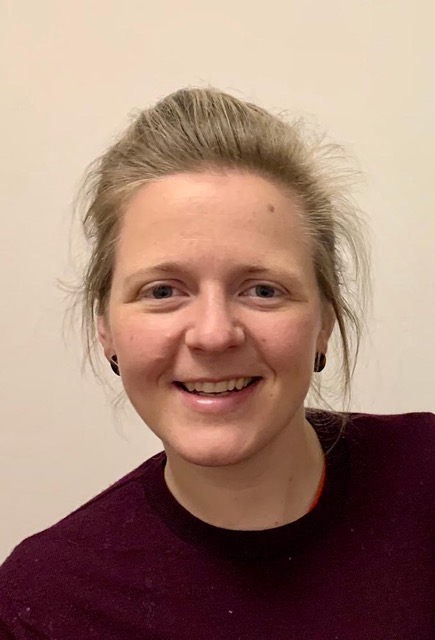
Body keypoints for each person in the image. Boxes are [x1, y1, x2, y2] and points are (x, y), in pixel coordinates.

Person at [0, 87, 433, 640]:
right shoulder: (44, 605)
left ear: (324, 319)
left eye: (262, 289)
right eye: (162, 291)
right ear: (105, 328)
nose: (212, 334)